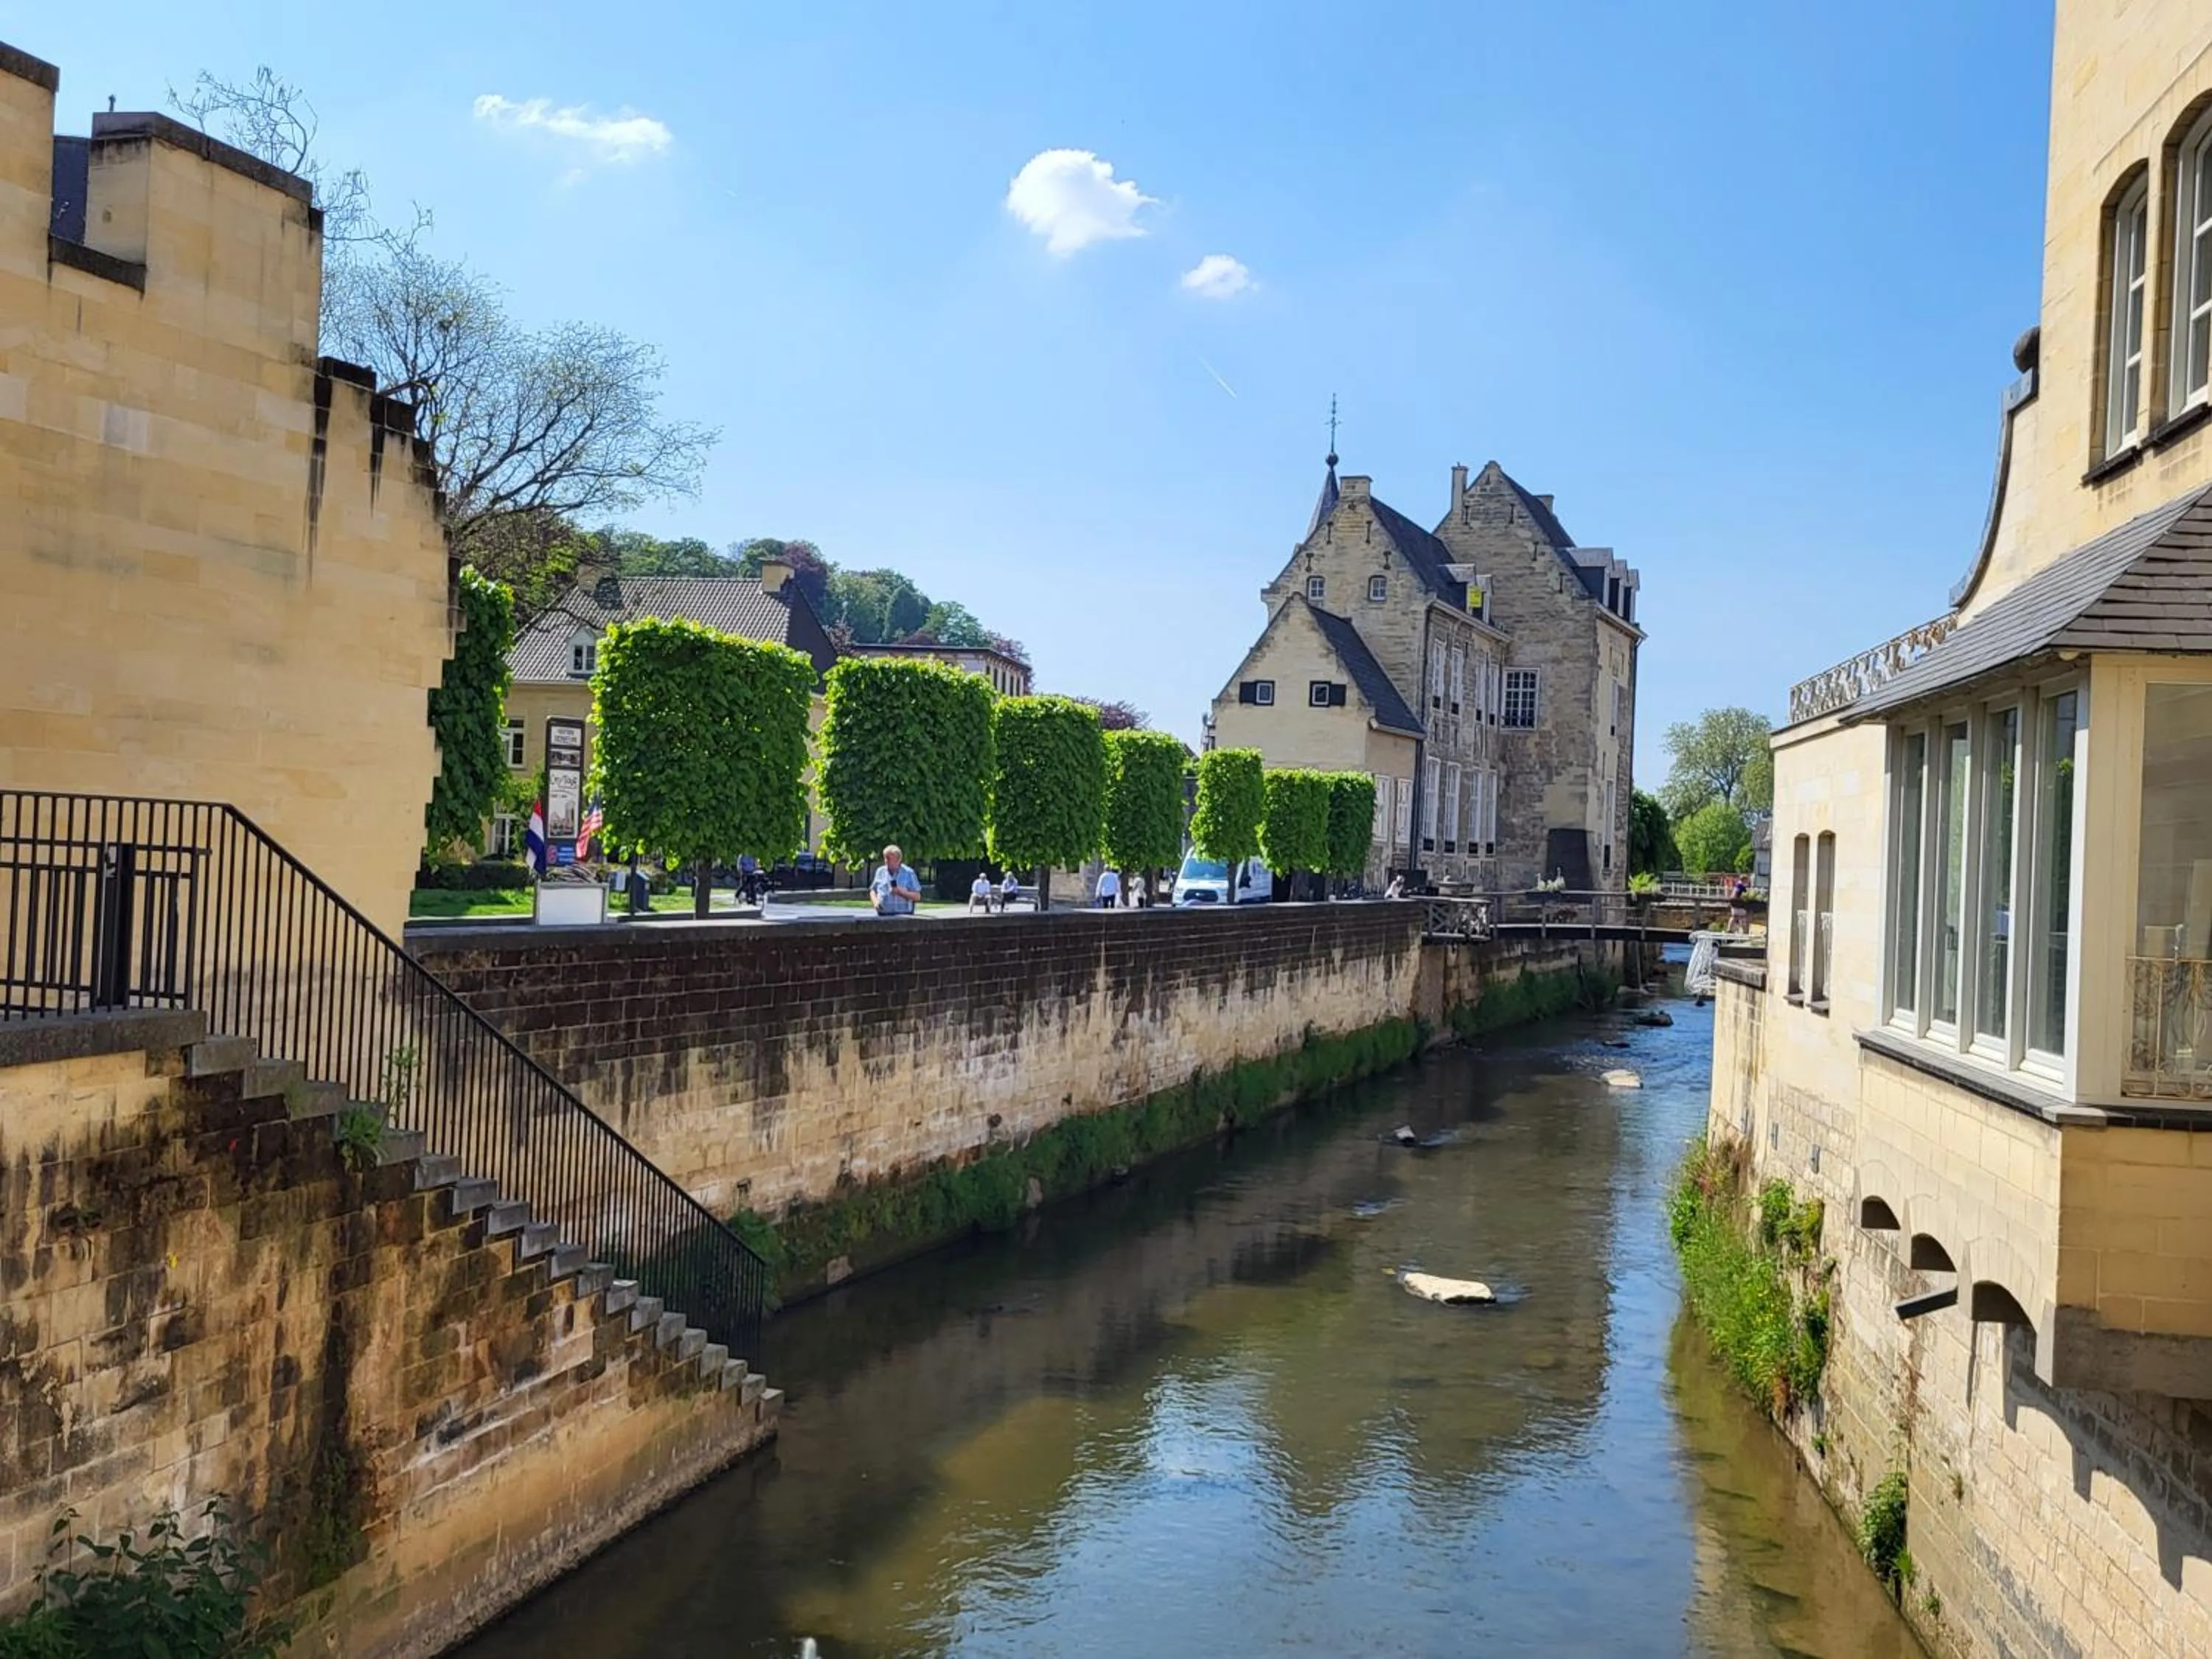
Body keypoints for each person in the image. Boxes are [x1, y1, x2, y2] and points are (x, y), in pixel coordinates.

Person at [870, 844, 921, 917]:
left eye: (889, 858)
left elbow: (917, 897)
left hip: (904, 915)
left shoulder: (909, 873)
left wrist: (901, 892)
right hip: (883, 914)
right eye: (885, 858)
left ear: (898, 860)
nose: (886, 861)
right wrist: (876, 902)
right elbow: (873, 891)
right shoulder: (880, 871)